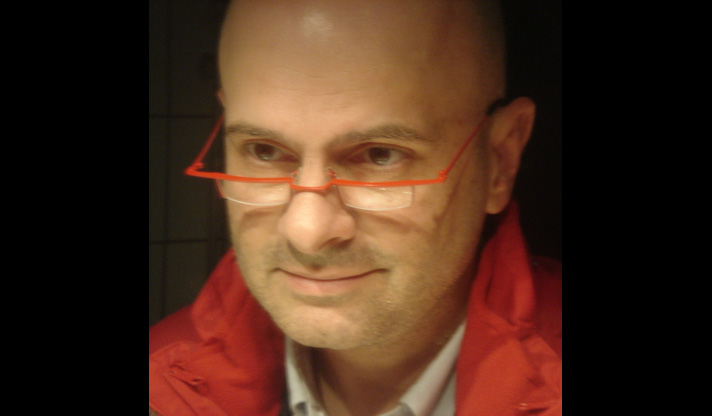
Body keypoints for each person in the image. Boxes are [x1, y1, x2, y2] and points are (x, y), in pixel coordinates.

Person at [149, 0, 562, 415]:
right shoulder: (162, 387)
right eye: (264, 151)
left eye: (380, 155)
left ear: (500, 160)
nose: (307, 232)